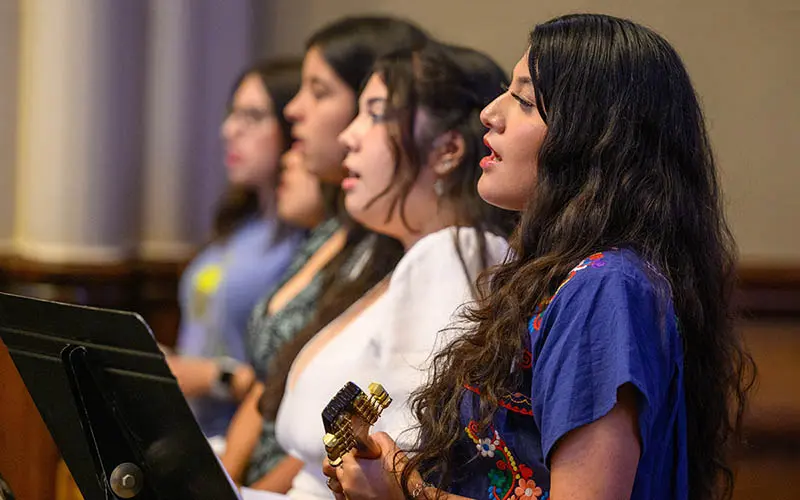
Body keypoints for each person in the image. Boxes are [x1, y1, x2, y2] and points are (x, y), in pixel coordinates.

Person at [325, 13, 754, 500]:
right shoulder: (559, 275)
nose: (490, 112)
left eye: (524, 101)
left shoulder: (605, 286)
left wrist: (405, 490)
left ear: (592, 138)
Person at [272, 41, 515, 500]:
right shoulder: (406, 259)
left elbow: (406, 450)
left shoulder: (452, 256)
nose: (350, 135)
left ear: (447, 149)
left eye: (377, 113)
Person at [219, 17, 429, 489]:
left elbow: (346, 428)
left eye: (318, 91)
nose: (293, 109)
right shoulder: (331, 231)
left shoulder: (402, 247)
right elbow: (271, 378)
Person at [166, 59, 306, 440]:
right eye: (233, 114)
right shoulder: (240, 224)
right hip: (191, 431)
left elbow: (291, 379)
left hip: (244, 439)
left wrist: (217, 377)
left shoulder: (307, 241)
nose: (229, 130)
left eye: (253, 116)